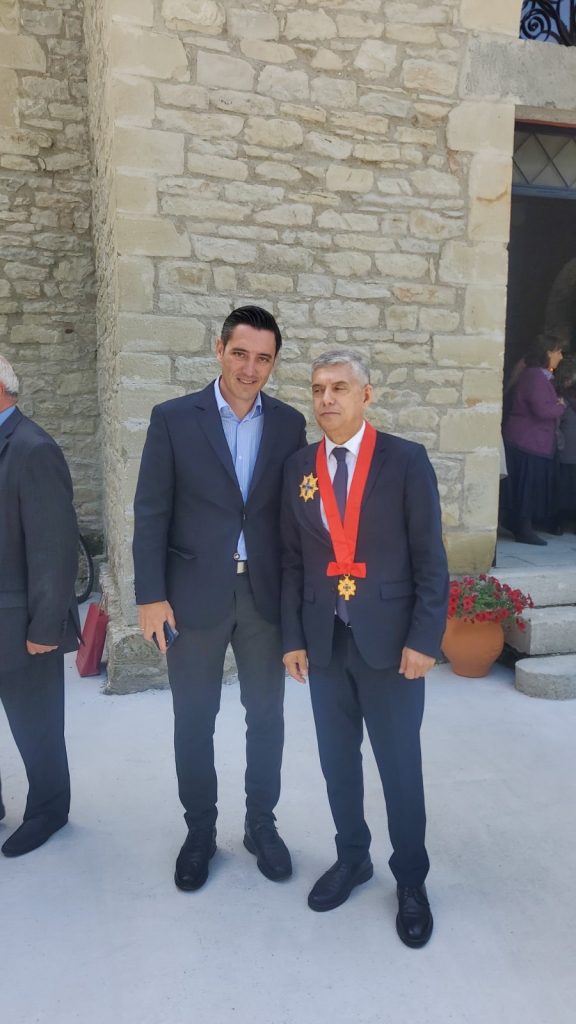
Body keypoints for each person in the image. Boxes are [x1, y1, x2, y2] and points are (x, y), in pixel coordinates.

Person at [133, 306, 306, 892]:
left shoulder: (288, 424)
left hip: (263, 596)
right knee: (194, 718)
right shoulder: (173, 419)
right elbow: (151, 512)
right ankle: (200, 831)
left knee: (267, 715)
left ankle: (261, 824)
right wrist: (151, 596)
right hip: (191, 595)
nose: (250, 368)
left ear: (273, 363)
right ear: (219, 349)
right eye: (240, 353)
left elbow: (293, 519)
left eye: (263, 358)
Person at [281, 351, 448, 948]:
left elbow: (431, 558)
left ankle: (411, 879)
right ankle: (352, 857)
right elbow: (292, 561)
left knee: (399, 768)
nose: (326, 399)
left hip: (392, 646)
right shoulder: (299, 467)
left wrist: (424, 638)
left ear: (366, 395)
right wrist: (293, 638)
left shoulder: (404, 461)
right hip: (325, 641)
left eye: (339, 388)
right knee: (337, 762)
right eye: (318, 389)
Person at [0, 355, 79, 857]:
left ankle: (49, 810)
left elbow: (55, 549)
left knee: (37, 727)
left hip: (20, 624)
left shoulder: (34, 449)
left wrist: (45, 628)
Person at [502, 334, 565, 545]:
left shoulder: (537, 375)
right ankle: (522, 528)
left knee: (526, 487)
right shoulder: (535, 376)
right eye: (558, 351)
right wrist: (560, 405)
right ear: (548, 352)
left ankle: (520, 524)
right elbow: (542, 410)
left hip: (530, 442)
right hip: (527, 441)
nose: (561, 356)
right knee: (526, 488)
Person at [555, 356, 576, 532]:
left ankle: (559, 522)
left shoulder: (563, 399)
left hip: (566, 452)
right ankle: (559, 521)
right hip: (567, 452)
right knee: (563, 488)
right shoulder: (562, 401)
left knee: (563, 489)